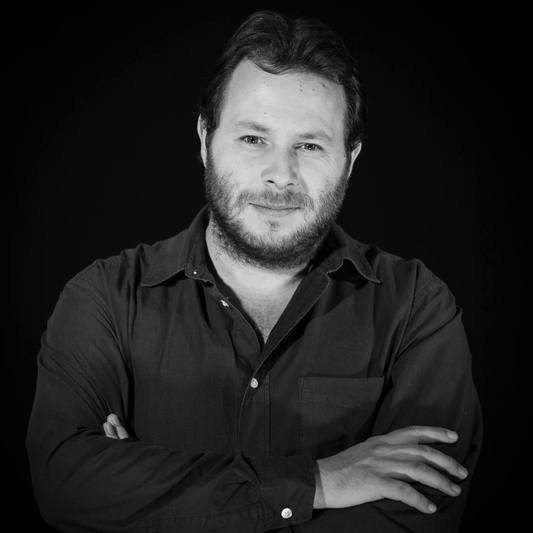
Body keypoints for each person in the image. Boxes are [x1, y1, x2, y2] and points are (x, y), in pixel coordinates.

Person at [26, 10, 482, 532]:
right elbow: (67, 484)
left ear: (350, 159)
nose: (280, 175)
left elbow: (417, 513)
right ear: (205, 139)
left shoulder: (416, 307)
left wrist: (149, 500)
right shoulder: (105, 298)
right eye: (253, 139)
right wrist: (320, 482)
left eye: (309, 145)